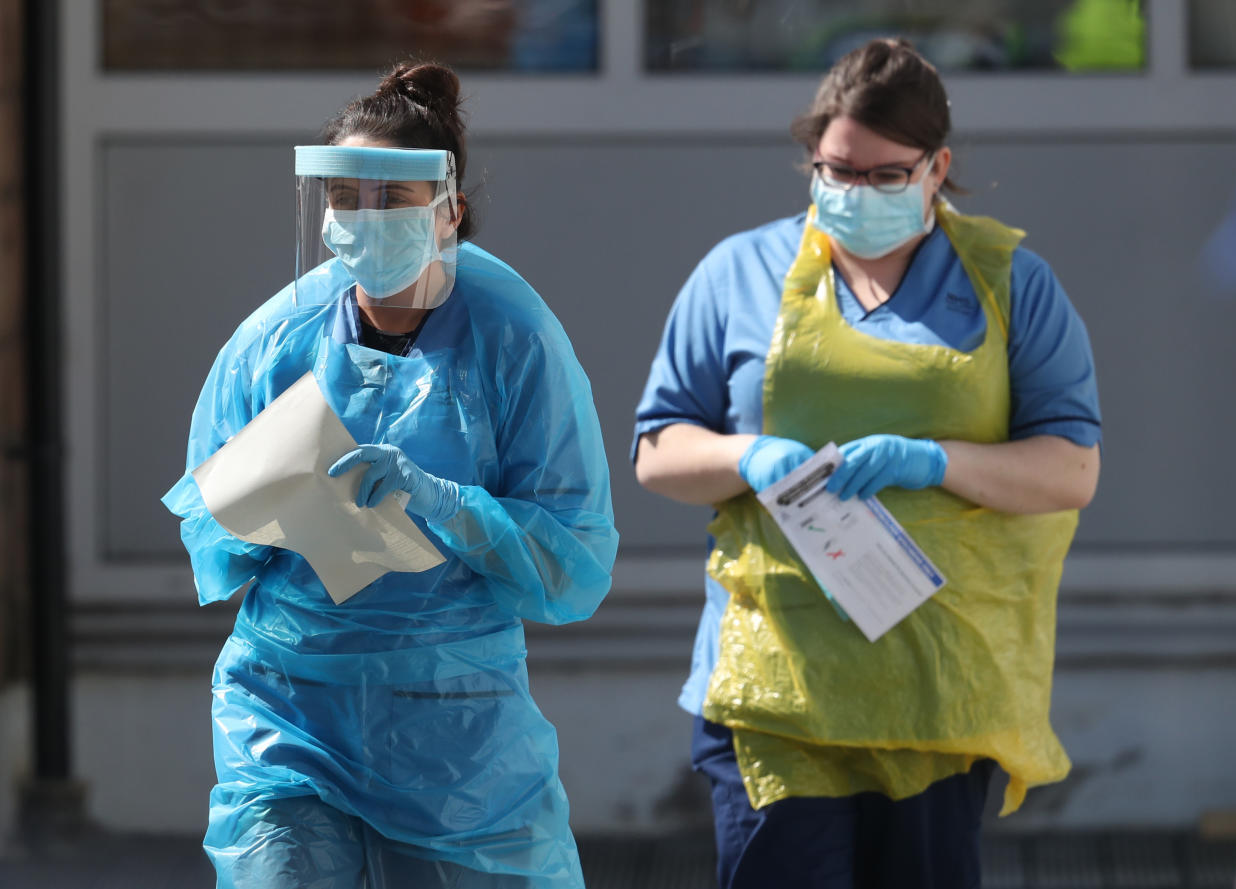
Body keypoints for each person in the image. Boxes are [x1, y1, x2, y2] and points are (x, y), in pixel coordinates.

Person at [632, 38, 1101, 889]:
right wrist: (748, 454)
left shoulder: (1008, 286)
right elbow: (658, 451)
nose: (855, 193)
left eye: (886, 175)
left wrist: (934, 460)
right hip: (776, 690)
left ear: (937, 166)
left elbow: (1069, 469)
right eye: (836, 170)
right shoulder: (738, 273)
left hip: (939, 691)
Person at [162, 62, 618, 889]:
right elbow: (211, 535)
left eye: (390, 200)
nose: (361, 223)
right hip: (288, 717)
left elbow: (573, 565)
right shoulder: (278, 339)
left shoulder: (511, 338)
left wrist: (449, 506)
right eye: (344, 198)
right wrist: (258, 506)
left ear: (450, 211)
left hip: (457, 740)